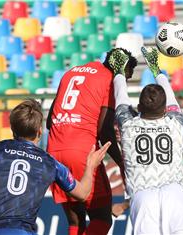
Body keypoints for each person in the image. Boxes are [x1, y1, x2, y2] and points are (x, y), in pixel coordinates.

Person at [0, 99, 111, 235]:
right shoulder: (49, 162)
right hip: (20, 230)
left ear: (12, 128)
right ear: (40, 131)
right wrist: (90, 166)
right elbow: (82, 193)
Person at [46, 49, 137, 235]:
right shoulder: (110, 79)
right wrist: (122, 162)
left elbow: (49, 121)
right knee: (102, 218)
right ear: (121, 71)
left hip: (54, 150)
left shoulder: (72, 72)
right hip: (82, 153)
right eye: (126, 78)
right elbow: (104, 131)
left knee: (75, 221)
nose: (124, 83)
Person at [111, 47, 183, 234]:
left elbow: (120, 96)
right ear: (166, 108)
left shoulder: (127, 125)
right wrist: (157, 70)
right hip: (175, 194)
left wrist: (118, 70)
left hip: (142, 196)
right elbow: (171, 97)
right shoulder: (177, 123)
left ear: (139, 106)